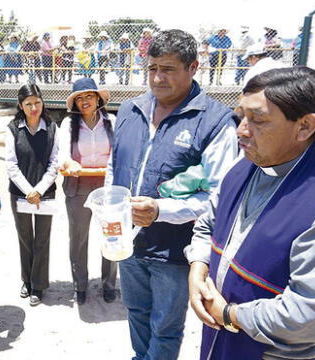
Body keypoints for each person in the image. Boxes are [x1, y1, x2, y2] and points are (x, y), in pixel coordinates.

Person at [107, 29, 238, 359]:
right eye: (152, 68)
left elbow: (217, 198)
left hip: (174, 252)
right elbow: (115, 167)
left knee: (165, 327)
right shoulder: (130, 110)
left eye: (168, 69)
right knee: (136, 315)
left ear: (193, 68)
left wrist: (160, 211)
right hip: (129, 244)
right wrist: (110, 206)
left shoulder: (215, 122)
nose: (157, 78)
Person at [186, 66, 315, 359]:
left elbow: (310, 312)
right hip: (220, 342)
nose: (241, 130)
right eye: (241, 116)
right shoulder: (246, 165)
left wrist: (229, 314)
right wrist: (198, 270)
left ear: (305, 126)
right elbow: (208, 225)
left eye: (258, 120)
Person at [60, 78, 117, 305]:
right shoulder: (68, 124)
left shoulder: (111, 121)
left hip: (107, 186)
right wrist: (69, 163)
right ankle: (80, 285)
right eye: (80, 98)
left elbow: (118, 152)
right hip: (78, 185)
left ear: (98, 99)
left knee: (110, 235)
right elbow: (63, 153)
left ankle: (109, 284)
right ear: (75, 102)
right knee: (78, 238)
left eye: (89, 96)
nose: (85, 101)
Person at [5, 84, 58, 306]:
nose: (33, 107)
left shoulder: (53, 128)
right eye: (28, 103)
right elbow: (11, 164)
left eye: (37, 102)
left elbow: (55, 163)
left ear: (42, 102)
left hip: (45, 194)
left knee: (42, 239)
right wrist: (29, 191)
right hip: (20, 194)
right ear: (21, 106)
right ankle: (26, 280)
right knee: (25, 238)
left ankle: (38, 285)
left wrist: (40, 190)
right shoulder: (12, 128)